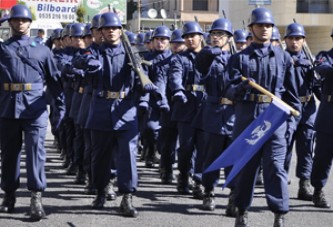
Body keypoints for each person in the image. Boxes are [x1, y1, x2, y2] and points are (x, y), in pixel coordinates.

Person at [73, 12, 156, 218]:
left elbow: (143, 77)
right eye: (106, 28)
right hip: (100, 108)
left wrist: (145, 96)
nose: (111, 31)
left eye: (115, 28)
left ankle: (127, 196)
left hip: (125, 109)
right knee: (99, 156)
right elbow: (78, 60)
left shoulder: (132, 51)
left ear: (121, 30)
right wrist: (87, 64)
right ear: (100, 32)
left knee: (127, 156)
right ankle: (100, 191)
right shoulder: (94, 51)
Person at [225, 8, 301, 227]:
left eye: (268, 26)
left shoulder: (283, 57)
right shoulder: (239, 59)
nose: (265, 29)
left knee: (276, 168)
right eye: (260, 25)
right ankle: (241, 211)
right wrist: (239, 87)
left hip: (275, 121)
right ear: (252, 28)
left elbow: (292, 95)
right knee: (246, 168)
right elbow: (228, 92)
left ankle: (279, 213)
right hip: (247, 120)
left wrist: (291, 125)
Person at [0, 4, 65, 221]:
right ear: (10, 23)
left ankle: (36, 197)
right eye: (16, 20)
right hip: (8, 107)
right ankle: (9, 195)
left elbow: (54, 80)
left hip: (35, 108)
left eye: (24, 20)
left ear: (30, 23)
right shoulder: (3, 49)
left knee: (36, 152)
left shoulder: (42, 49)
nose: (20, 23)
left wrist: (59, 108)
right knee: (9, 154)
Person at [195, 18, 235, 215]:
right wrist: (212, 51)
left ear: (229, 38)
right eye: (213, 34)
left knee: (234, 157)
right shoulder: (207, 55)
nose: (216, 38)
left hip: (234, 115)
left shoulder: (237, 58)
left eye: (221, 35)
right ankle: (208, 191)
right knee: (211, 157)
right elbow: (201, 64)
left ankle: (234, 195)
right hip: (213, 112)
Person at [283, 22, 321, 201]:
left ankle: (304, 184)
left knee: (306, 148)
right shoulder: (281, 58)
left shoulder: (311, 61)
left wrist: (317, 73)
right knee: (284, 148)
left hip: (307, 109)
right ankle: (280, 182)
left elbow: (319, 91)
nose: (294, 42)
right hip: (287, 109)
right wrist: (294, 64)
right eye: (291, 38)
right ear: (286, 40)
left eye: (298, 38)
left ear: (304, 40)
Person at [169, 21, 206, 199]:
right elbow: (175, 76)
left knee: (204, 148)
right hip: (186, 107)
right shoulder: (179, 58)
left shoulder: (209, 57)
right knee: (186, 147)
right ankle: (184, 176)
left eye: (193, 36)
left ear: (201, 37)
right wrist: (178, 90)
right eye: (187, 37)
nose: (190, 39)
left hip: (206, 107)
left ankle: (199, 182)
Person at [310, 29, 333, 209]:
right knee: (322, 157)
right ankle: (318, 189)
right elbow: (322, 69)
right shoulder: (325, 56)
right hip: (328, 114)